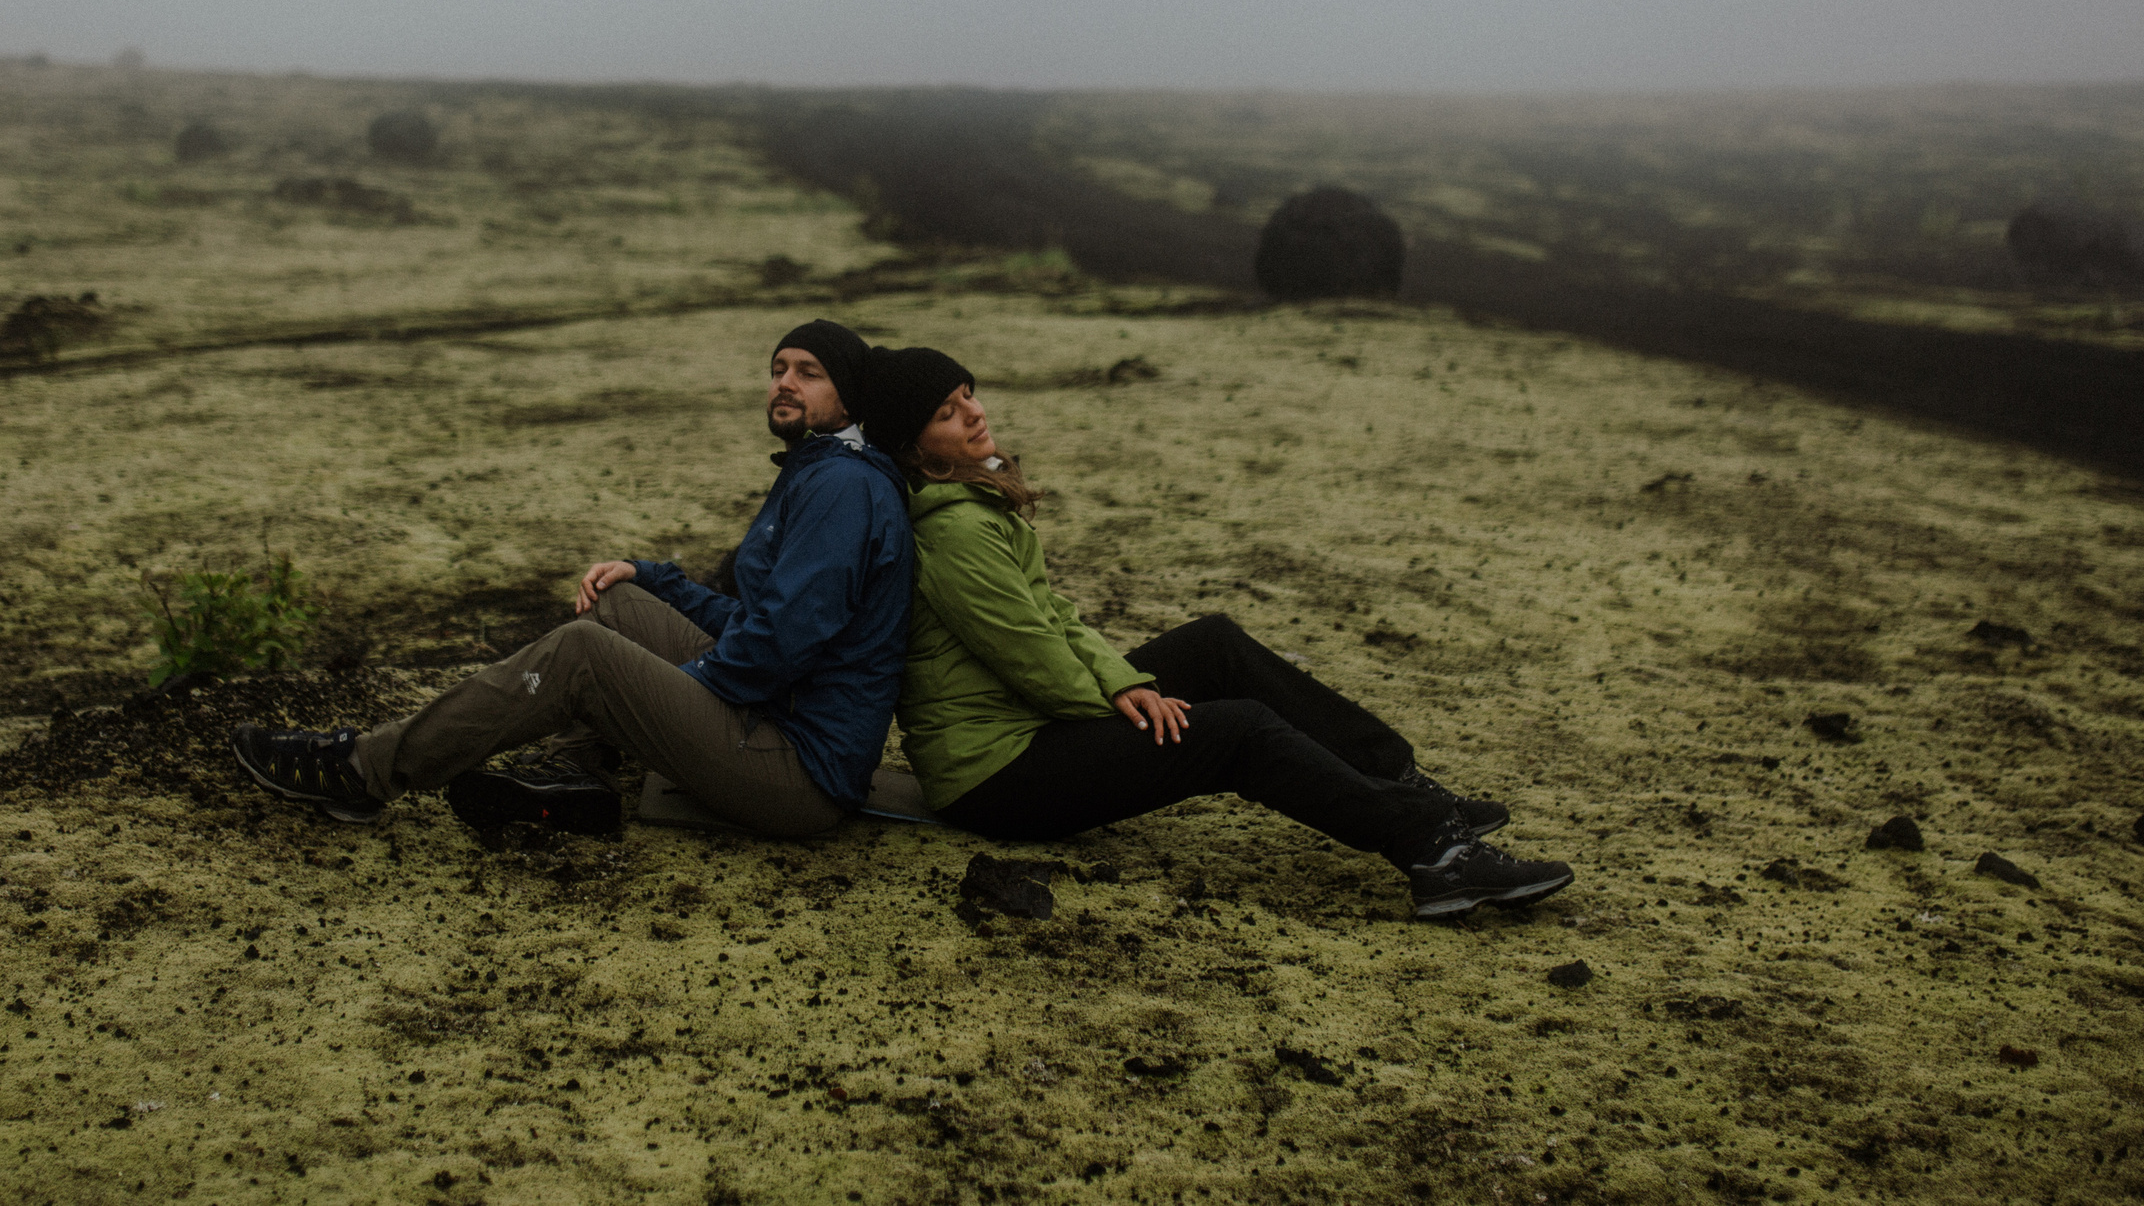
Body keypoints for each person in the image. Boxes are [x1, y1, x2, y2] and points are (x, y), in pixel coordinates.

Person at [857, 344, 1574, 920]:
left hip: (1029, 729)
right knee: (1234, 732)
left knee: (1214, 644)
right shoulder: (953, 533)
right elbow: (1029, 655)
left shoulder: (975, 505)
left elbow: (1058, 616)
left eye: (967, 394)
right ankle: (1432, 854)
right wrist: (1119, 703)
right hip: (997, 776)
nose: (974, 414)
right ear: (919, 451)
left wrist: (1127, 681)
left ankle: (1407, 783)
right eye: (947, 413)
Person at [230, 320, 913, 839]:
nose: (785, 382)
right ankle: (576, 776)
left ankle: (364, 769)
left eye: (809, 372)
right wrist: (650, 576)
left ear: (846, 397)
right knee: (616, 604)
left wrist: (655, 693)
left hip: (800, 769)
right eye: (777, 368)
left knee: (585, 658)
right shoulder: (821, 472)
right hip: (780, 716)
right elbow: (755, 618)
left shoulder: (841, 489)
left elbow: (777, 647)